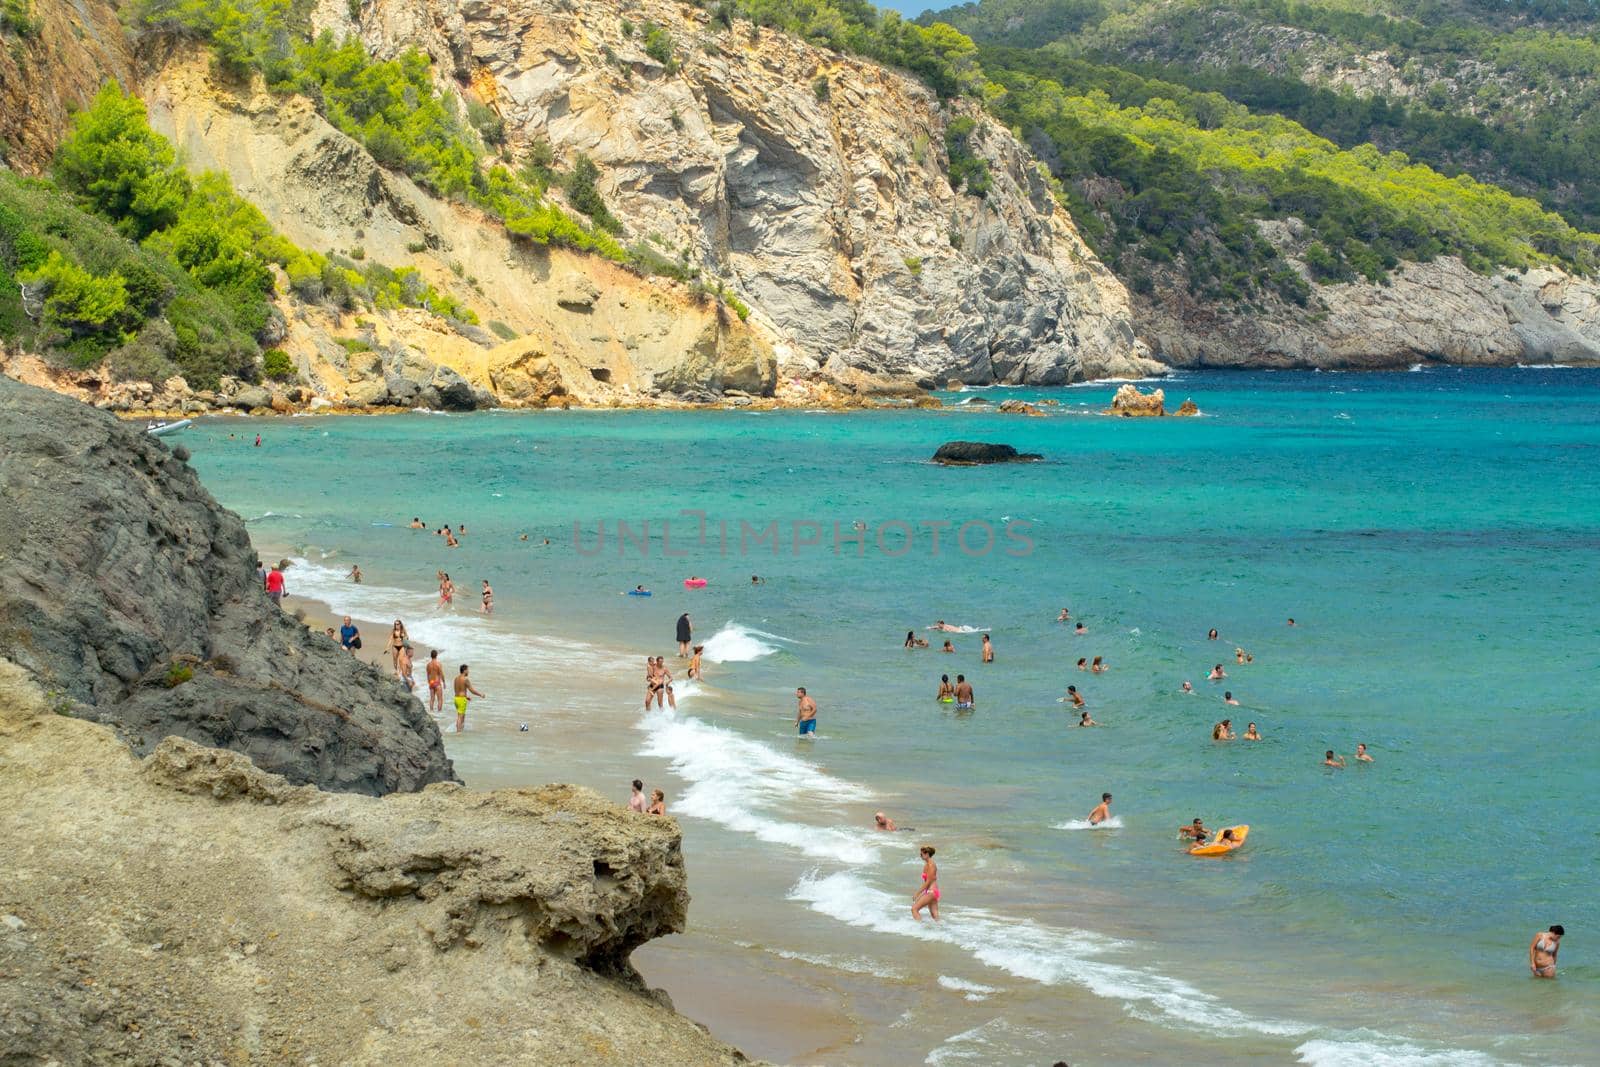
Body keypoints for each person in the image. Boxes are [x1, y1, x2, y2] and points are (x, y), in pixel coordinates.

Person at [911, 845, 940, 921]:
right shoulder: (927, 865)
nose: (920, 856)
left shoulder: (931, 865)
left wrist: (917, 893)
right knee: (935, 916)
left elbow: (928, 881)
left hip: (931, 892)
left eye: (921, 854)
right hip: (931, 892)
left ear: (927, 854)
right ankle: (940, 931)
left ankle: (920, 929)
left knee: (914, 909)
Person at [453, 664, 484, 733]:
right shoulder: (465, 679)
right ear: (464, 670)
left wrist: (466, 697)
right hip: (461, 700)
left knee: (461, 715)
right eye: (468, 670)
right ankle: (458, 732)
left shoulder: (456, 678)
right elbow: (472, 691)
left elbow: (457, 690)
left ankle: (460, 730)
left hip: (456, 699)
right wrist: (480, 694)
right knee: (460, 717)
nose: (468, 672)